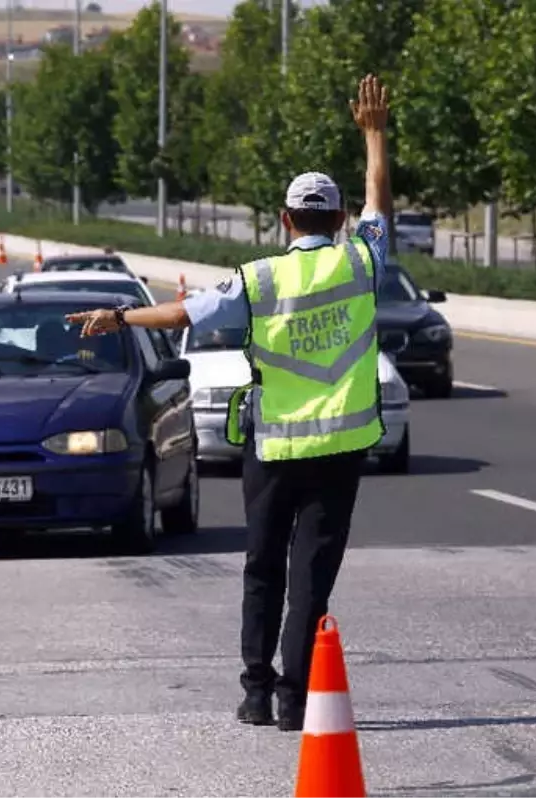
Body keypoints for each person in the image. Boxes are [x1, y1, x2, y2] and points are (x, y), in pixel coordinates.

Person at [65, 74, 394, 733]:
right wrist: (375, 135)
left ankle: (254, 690)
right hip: (339, 452)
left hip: (272, 448)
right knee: (311, 580)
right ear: (337, 221)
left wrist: (119, 316)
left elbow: (183, 310)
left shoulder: (258, 279)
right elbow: (380, 201)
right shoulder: (361, 263)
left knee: (262, 567)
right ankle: (296, 700)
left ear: (282, 220)